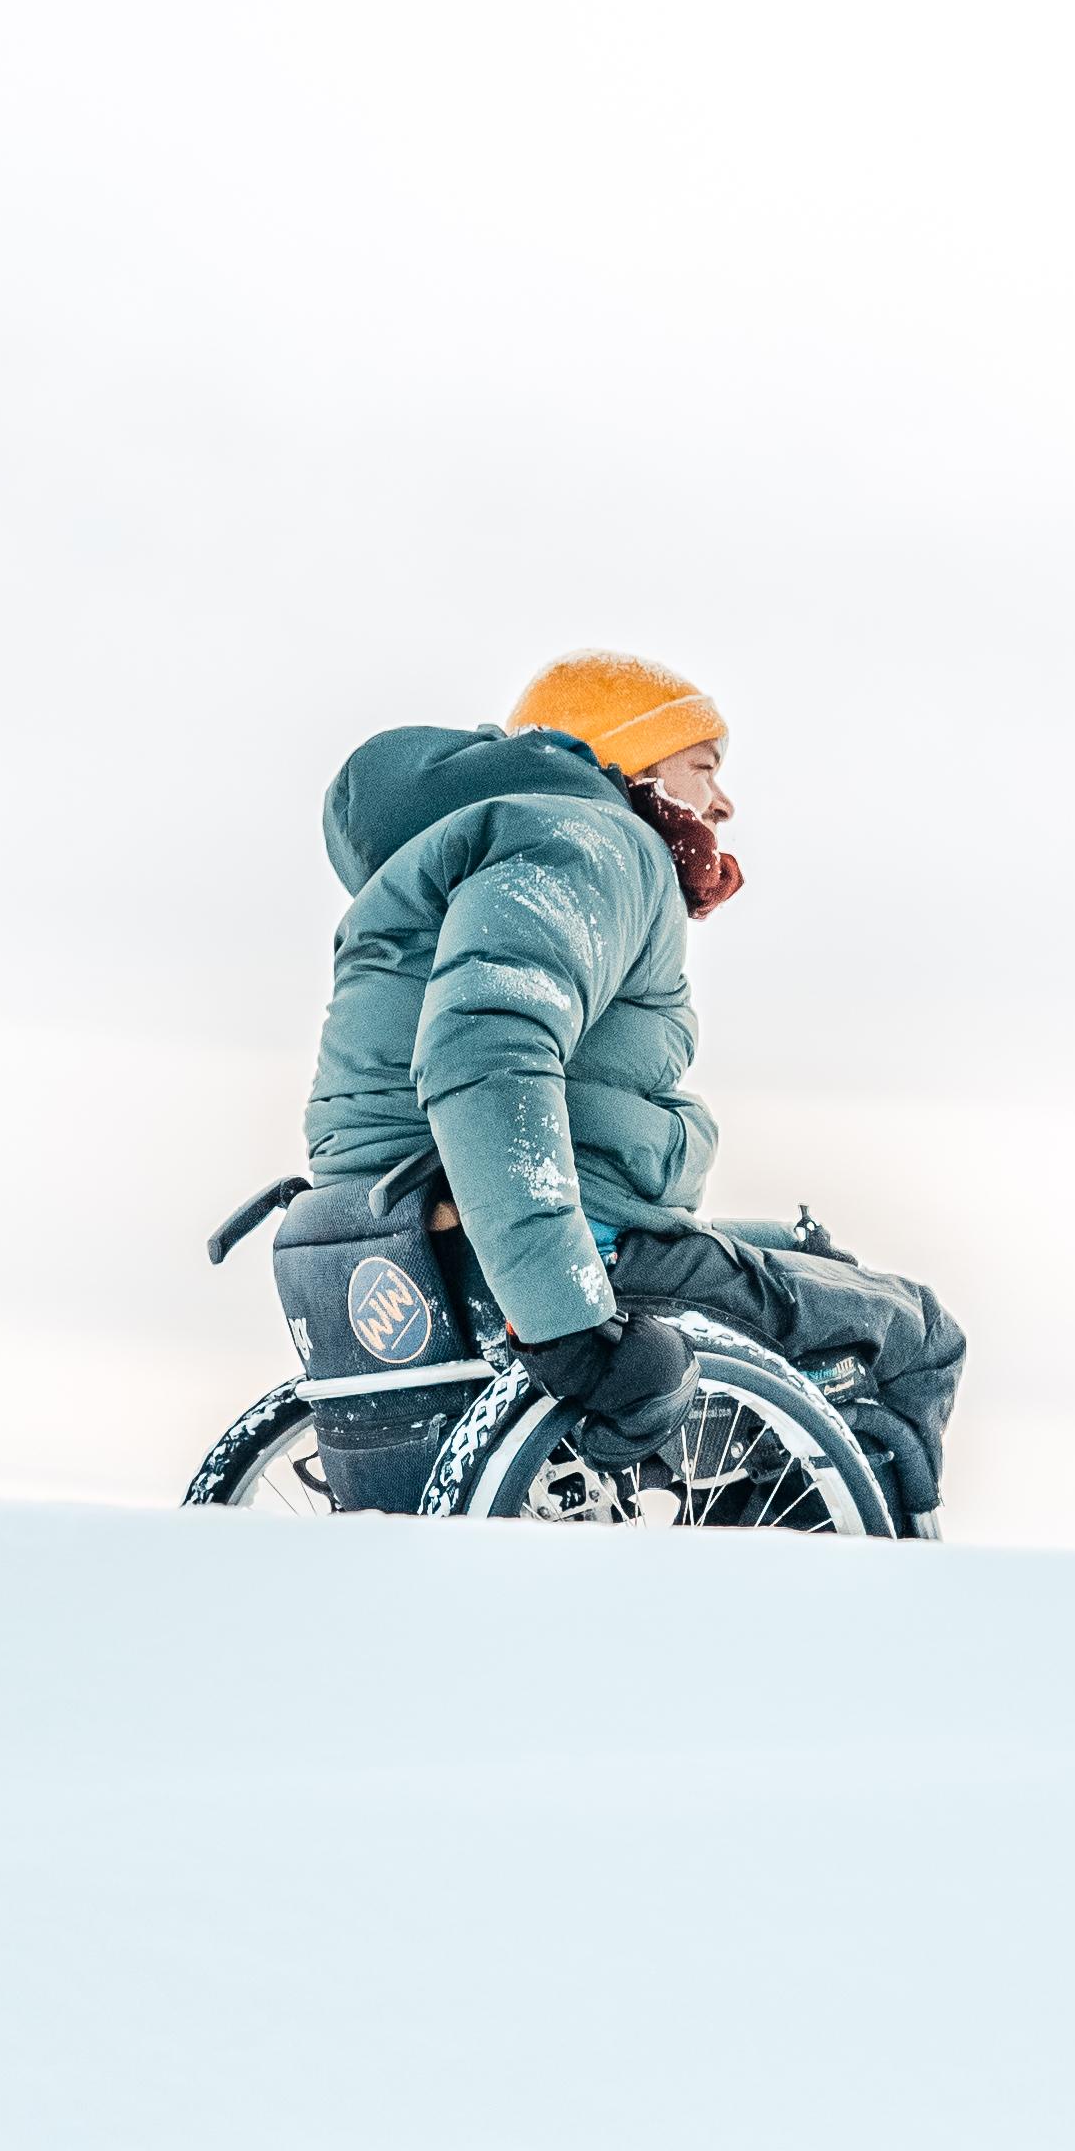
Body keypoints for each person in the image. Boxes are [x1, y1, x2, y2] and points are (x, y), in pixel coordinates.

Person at [300, 653, 964, 1530]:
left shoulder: (475, 848)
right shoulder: (595, 842)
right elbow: (485, 1051)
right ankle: (845, 1586)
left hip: (411, 1230)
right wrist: (567, 1325)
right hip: (551, 1252)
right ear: (633, 759)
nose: (723, 804)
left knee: (818, 1260)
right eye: (705, 765)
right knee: (911, 1331)